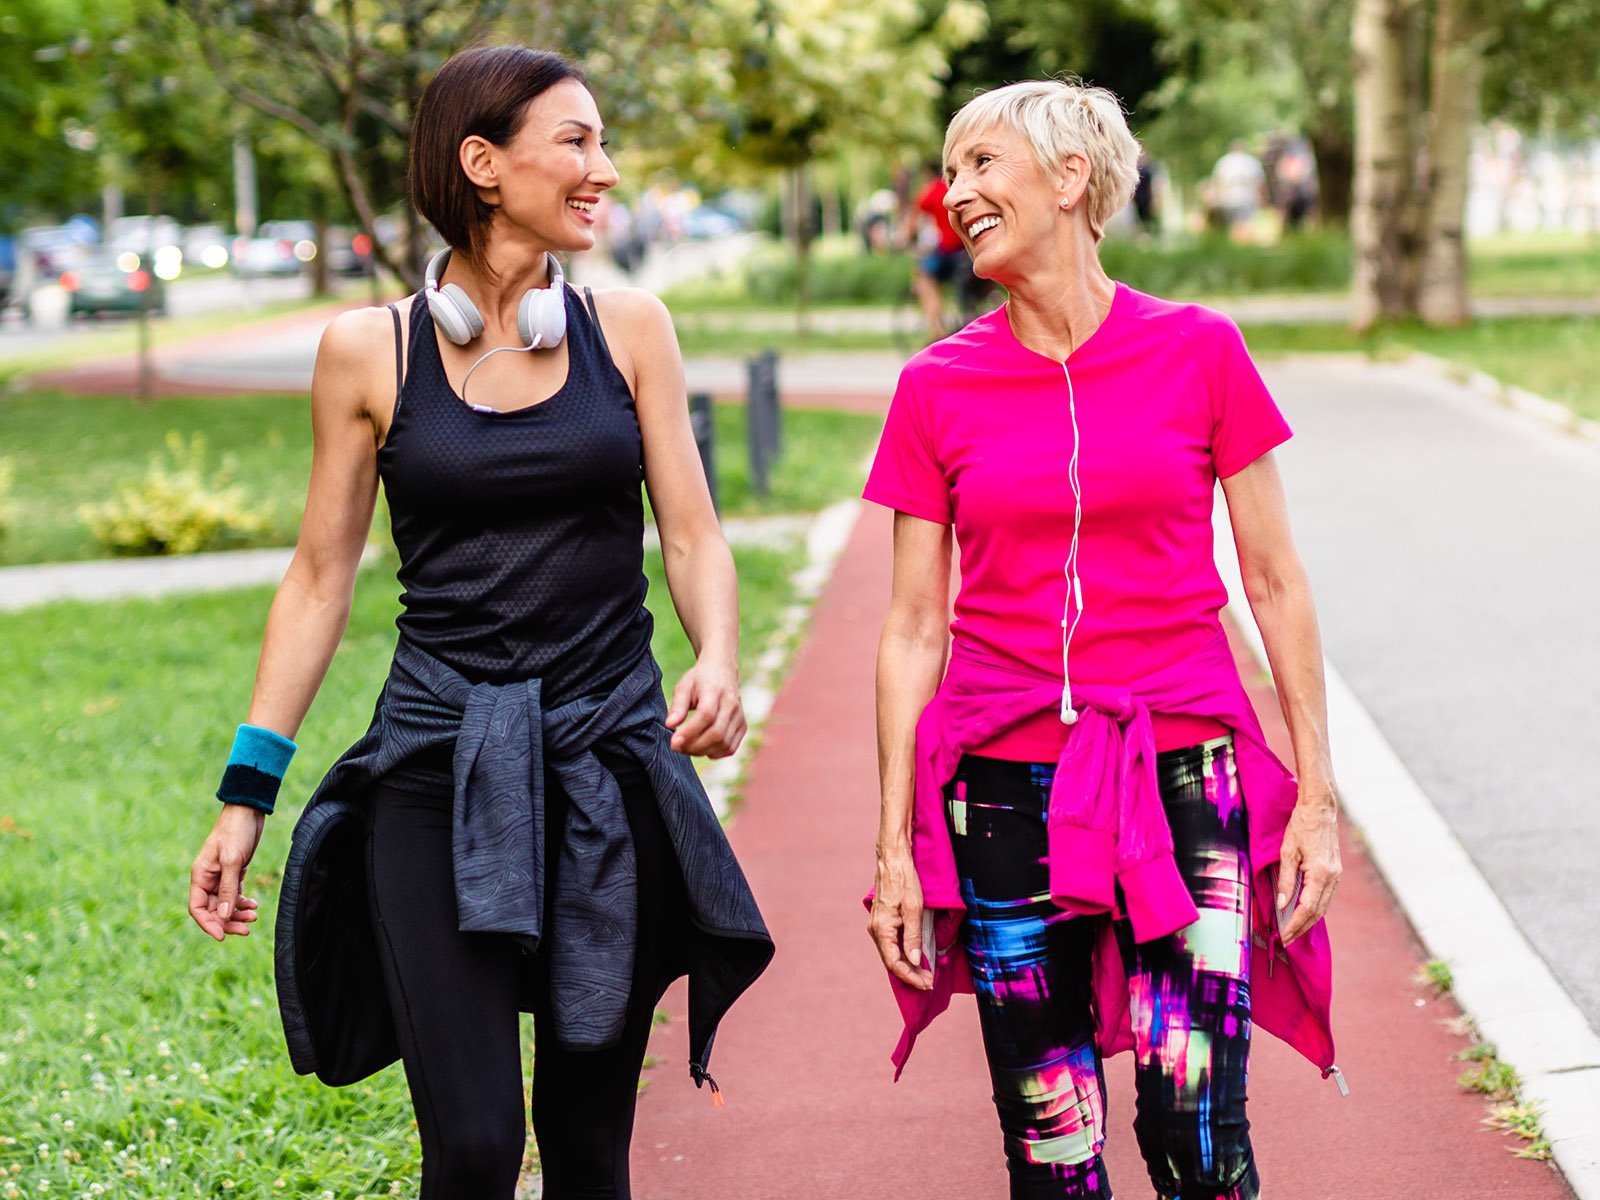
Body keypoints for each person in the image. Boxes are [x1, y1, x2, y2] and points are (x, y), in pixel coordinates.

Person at [186, 45, 773, 1199]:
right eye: (577, 141)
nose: (603, 168)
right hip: (432, 767)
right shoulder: (371, 349)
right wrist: (246, 792)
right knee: (470, 1145)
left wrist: (718, 654)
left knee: (589, 1148)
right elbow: (317, 578)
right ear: (482, 163)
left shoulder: (633, 329)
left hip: (606, 763)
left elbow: (695, 536)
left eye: (601, 142)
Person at [865, 80, 1342, 1200]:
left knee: (1196, 1125)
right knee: (1049, 1133)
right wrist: (893, 843)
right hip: (1001, 785)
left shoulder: (1200, 351)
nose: (958, 193)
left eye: (982, 164)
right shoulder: (935, 386)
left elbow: (1272, 581)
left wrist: (1313, 796)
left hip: (1186, 773)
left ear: (1070, 178)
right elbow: (909, 626)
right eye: (954, 170)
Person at [901, 160, 975, 340]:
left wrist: (905, 239)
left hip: (950, 251)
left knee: (923, 275)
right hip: (969, 250)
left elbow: (912, 221)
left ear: (927, 174)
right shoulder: (957, 186)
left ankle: (936, 328)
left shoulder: (932, 191)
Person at [1209, 139, 1268, 241]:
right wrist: (1262, 197)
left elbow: (1217, 182)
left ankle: (1236, 245)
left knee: (1233, 224)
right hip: (1247, 197)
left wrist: (1216, 198)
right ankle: (1245, 245)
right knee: (1246, 223)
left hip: (1229, 197)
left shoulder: (1223, 161)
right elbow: (1259, 182)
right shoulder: (1251, 161)